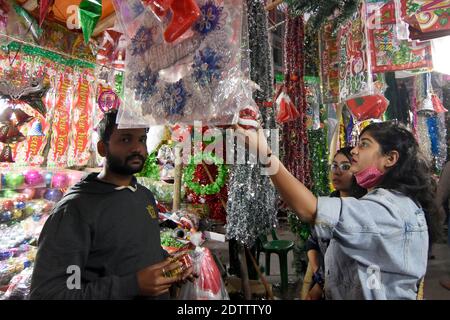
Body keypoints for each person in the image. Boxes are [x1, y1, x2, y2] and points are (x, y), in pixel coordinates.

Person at [237, 121, 437, 299]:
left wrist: (266, 155)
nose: (354, 152)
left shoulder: (389, 209)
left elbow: (310, 211)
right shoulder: (384, 202)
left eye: (364, 144)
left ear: (390, 158)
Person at [30, 110, 193, 299]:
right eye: (125, 139)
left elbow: (137, 250)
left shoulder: (144, 196)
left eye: (141, 139)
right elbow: (50, 293)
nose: (137, 148)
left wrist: (169, 266)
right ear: (102, 148)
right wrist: (132, 286)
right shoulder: (75, 210)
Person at [305, 147, 366, 300]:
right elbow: (312, 241)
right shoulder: (328, 202)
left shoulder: (364, 207)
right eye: (334, 165)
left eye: (345, 166)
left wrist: (320, 283)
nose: (337, 172)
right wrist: (318, 272)